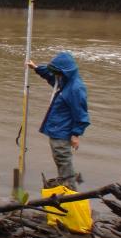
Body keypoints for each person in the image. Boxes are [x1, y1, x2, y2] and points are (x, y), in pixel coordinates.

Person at [28, 51, 90, 188]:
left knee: (63, 160)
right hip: (57, 129)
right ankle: (65, 184)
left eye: (57, 72)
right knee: (61, 161)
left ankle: (70, 191)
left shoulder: (75, 88)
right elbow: (51, 77)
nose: (55, 75)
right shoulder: (65, 81)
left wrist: (75, 134)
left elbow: (81, 114)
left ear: (64, 71)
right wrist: (37, 68)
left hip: (62, 133)